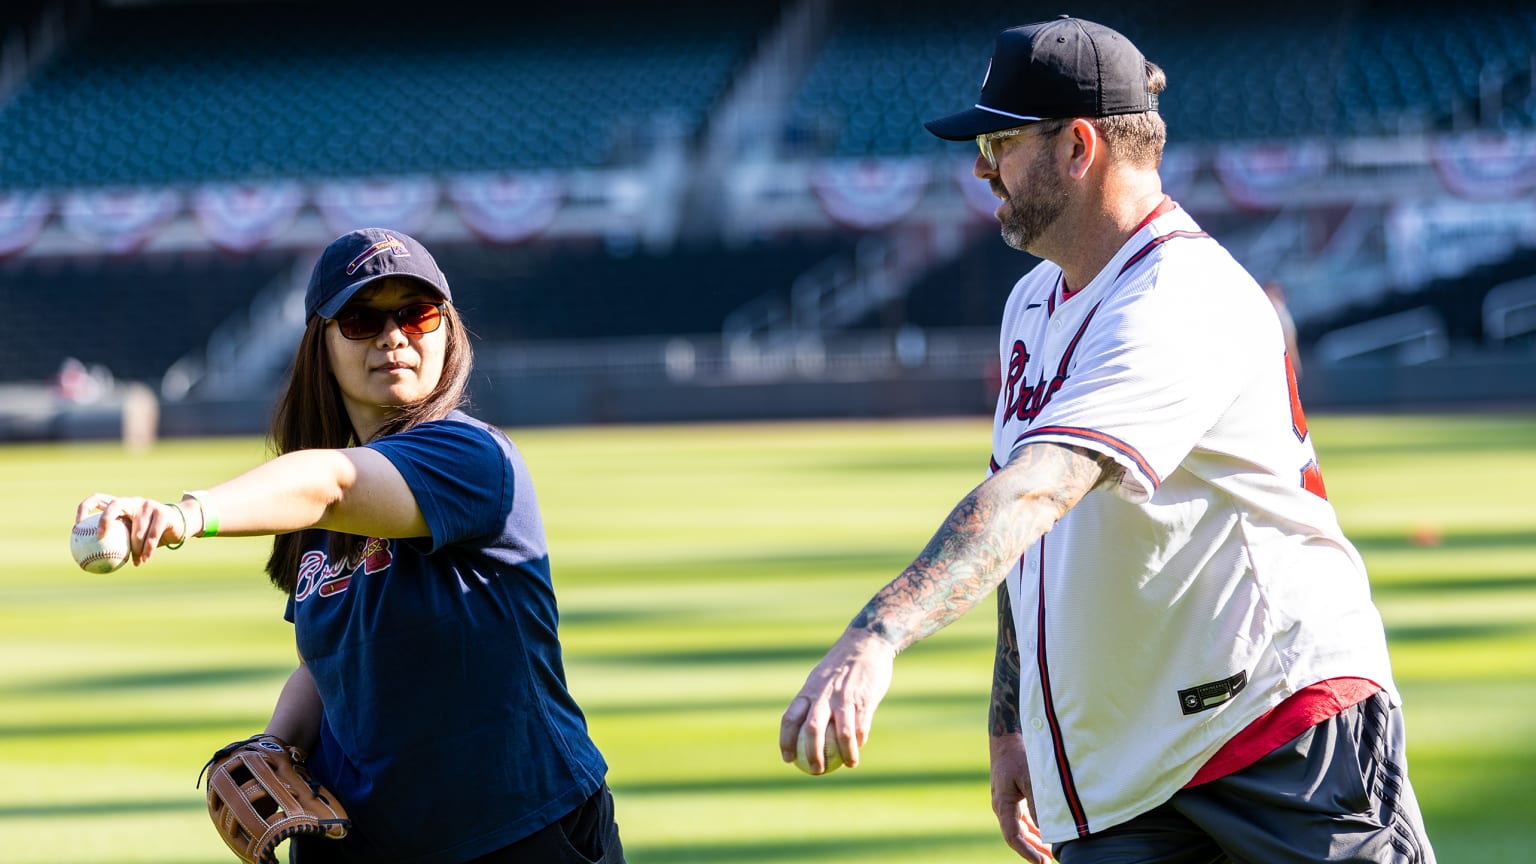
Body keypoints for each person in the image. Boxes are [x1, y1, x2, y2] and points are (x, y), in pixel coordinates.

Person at [779, 16, 1434, 864]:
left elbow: (1041, 485)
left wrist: (877, 634)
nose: (980, 167)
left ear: (1079, 146)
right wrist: (1010, 725)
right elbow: (1026, 530)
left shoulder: (1179, 291)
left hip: (1281, 736)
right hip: (1126, 767)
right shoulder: (1033, 304)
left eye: (1000, 142)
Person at [75, 227, 625, 864]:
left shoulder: (470, 456)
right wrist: (277, 743)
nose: (394, 336)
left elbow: (332, 484)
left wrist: (183, 515)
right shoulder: (313, 507)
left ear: (448, 330)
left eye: (417, 314)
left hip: (517, 829)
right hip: (365, 838)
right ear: (322, 345)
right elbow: (326, 660)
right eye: (361, 319)